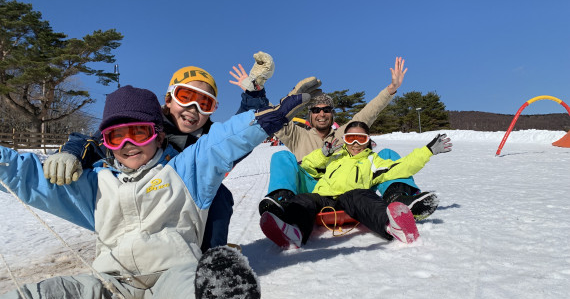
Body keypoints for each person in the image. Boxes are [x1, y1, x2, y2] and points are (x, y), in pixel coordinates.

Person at [0, 84, 313, 299]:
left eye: (138, 133)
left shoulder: (186, 171)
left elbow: (224, 142)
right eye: (115, 136)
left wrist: (267, 118)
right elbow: (22, 175)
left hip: (172, 278)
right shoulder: (94, 184)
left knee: (199, 288)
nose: (127, 144)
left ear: (158, 134)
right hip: (110, 290)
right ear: (105, 142)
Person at [43, 58, 275, 253]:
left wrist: (254, 93)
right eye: (186, 97)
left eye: (204, 103)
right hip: (136, 195)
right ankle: (125, 258)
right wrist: (71, 153)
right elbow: (96, 141)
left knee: (218, 195)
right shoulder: (144, 123)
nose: (194, 109)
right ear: (168, 99)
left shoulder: (209, 140)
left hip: (183, 203)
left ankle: (210, 258)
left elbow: (242, 131)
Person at [258, 57, 439, 221]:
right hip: (313, 191)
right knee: (281, 156)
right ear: (310, 115)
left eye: (326, 109)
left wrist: (390, 90)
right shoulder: (297, 134)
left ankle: (400, 199)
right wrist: (256, 92)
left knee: (387, 154)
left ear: (332, 114)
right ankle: (282, 202)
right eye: (316, 110)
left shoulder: (344, 133)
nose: (322, 114)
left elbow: (367, 114)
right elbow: (271, 117)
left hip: (348, 186)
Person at [259, 121, 453, 248]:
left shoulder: (372, 160)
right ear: (344, 140)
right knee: (303, 201)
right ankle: (295, 231)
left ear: (368, 141)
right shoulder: (335, 157)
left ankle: (392, 225)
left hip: (351, 198)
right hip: (323, 196)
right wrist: (322, 155)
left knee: (362, 196)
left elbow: (401, 167)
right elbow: (307, 168)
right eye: (351, 138)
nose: (355, 143)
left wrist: (427, 151)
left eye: (361, 139)